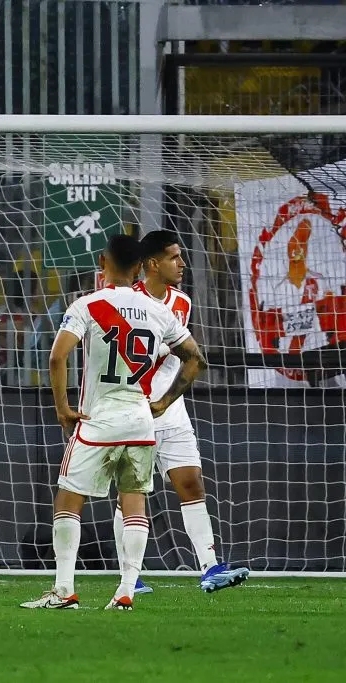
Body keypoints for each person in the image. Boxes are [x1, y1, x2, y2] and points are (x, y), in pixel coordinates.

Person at [21, 234, 206, 611]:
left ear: (103, 263)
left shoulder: (88, 305)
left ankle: (64, 591)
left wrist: (62, 408)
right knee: (134, 501)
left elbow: (58, 358)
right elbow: (195, 359)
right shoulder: (159, 310)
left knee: (68, 502)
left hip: (97, 419)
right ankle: (124, 591)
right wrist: (164, 402)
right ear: (140, 266)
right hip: (140, 419)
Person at [119, 230, 249, 594]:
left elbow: (183, 353)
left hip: (171, 408)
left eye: (181, 256)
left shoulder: (182, 302)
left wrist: (167, 400)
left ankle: (209, 567)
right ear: (151, 264)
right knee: (132, 494)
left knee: (191, 483)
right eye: (174, 257)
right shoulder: (126, 301)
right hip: (133, 408)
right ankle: (130, 575)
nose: (182, 263)